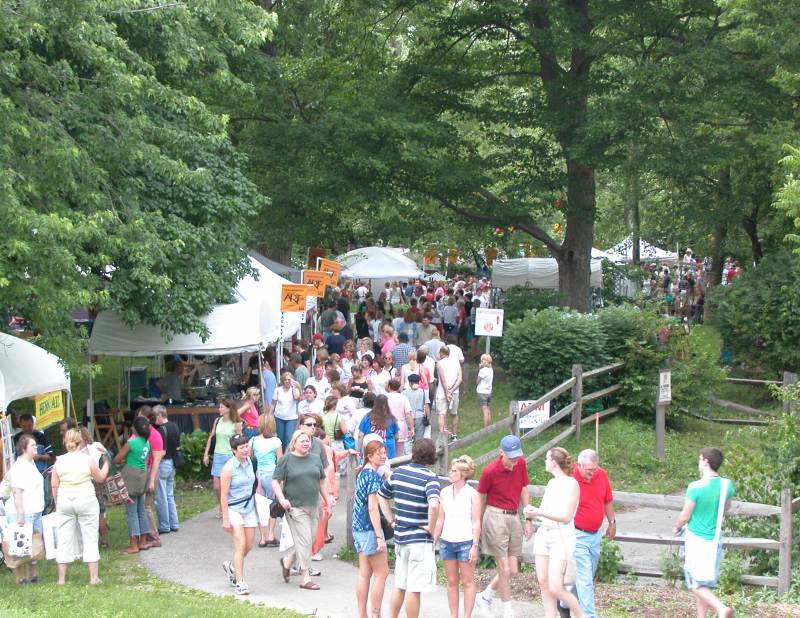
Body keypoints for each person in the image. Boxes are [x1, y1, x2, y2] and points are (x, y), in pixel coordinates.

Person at [378, 439, 440, 618]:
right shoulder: (429, 477)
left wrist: (391, 519)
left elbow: (382, 496)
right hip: (419, 540)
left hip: (401, 537)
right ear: (431, 456)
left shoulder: (398, 473)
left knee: (400, 584)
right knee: (415, 588)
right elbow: (434, 505)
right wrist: (431, 527)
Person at [475, 435, 533, 618]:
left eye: (517, 457)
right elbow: (481, 498)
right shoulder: (489, 471)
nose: (514, 462)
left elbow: (524, 488)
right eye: (511, 458)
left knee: (513, 570)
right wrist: (479, 523)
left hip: (514, 516)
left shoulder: (520, 464)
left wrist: (528, 518)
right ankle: (508, 611)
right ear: (501, 453)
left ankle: (485, 596)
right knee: (505, 569)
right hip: (495, 516)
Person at [673, 448, 735, 618]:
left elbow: (685, 515)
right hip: (715, 539)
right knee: (704, 584)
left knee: (694, 583)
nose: (699, 463)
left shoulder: (696, 487)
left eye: (700, 459)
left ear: (706, 461)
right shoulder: (726, 485)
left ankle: (721, 608)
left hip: (697, 539)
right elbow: (726, 507)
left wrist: (677, 526)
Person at [524, 447, 584, 618]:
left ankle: (581, 615)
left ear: (554, 462)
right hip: (544, 534)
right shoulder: (551, 483)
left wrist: (538, 513)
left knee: (556, 586)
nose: (545, 461)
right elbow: (543, 510)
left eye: (546, 458)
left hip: (560, 537)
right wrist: (530, 512)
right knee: (543, 581)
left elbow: (565, 517)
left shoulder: (571, 484)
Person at [556, 449, 616, 618]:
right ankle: (589, 615)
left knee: (587, 575)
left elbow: (608, 500)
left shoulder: (601, 475)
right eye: (589, 470)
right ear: (579, 465)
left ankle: (564, 602)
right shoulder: (571, 480)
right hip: (577, 534)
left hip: (595, 535)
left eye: (594, 469)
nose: (592, 473)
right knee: (585, 579)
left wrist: (612, 522)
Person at [273, 429, 333, 591]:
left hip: (314, 506)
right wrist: (282, 499)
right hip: (294, 507)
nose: (306, 443)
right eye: (302, 441)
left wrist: (328, 500)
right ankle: (305, 577)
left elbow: (321, 482)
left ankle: (287, 561)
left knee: (308, 541)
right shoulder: (286, 460)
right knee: (305, 541)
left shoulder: (315, 459)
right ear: (294, 443)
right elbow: (275, 481)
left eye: (308, 441)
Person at [51, 428, 109, 585]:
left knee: (63, 538)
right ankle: (93, 577)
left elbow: (54, 485)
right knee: (90, 537)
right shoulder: (87, 459)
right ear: (80, 441)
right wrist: (106, 462)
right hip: (86, 499)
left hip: (64, 501)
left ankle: (61, 579)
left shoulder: (59, 461)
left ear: (65, 442)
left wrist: (58, 502)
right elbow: (100, 478)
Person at [434, 455, 481, 618]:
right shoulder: (444, 492)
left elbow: (476, 522)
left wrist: (475, 545)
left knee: (468, 581)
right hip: (447, 541)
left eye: (454, 471)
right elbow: (440, 519)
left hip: (466, 542)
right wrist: (434, 538)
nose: (450, 473)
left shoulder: (472, 494)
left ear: (463, 474)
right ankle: (453, 615)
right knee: (452, 581)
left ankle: (466, 615)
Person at [353, 439, 390, 618]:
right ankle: (376, 614)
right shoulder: (373, 477)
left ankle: (362, 614)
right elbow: (373, 507)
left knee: (364, 573)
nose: (383, 456)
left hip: (358, 527)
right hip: (369, 528)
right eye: (379, 453)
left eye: (384, 452)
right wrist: (379, 536)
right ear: (369, 456)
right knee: (382, 573)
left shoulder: (363, 473)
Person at [219, 434, 258, 595]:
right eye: (241, 447)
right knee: (240, 545)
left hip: (249, 507)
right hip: (234, 509)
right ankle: (239, 581)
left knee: (248, 545)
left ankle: (232, 566)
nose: (245, 450)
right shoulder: (228, 468)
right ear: (234, 450)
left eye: (246, 446)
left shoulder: (251, 461)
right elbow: (224, 495)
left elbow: (255, 483)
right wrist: (225, 518)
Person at [7, 434, 46, 584]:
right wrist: (21, 514)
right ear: (24, 449)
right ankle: (20, 578)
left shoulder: (31, 463)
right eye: (33, 446)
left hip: (35, 510)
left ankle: (32, 576)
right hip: (23, 511)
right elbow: (17, 491)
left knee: (33, 544)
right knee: (20, 545)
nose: (36, 448)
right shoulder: (19, 467)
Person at [114, 416, 153, 553]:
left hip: (131, 476)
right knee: (141, 510)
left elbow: (117, 459)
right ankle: (143, 542)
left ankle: (133, 545)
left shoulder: (131, 443)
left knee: (131, 512)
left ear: (134, 429)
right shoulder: (147, 443)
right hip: (143, 475)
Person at [203, 399, 243, 518]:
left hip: (230, 455)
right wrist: (206, 454)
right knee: (217, 486)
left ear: (228, 409)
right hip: (218, 454)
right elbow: (211, 437)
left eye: (221, 407)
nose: (219, 409)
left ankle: (230, 507)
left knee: (231, 484)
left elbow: (240, 440)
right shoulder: (218, 420)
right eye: (219, 407)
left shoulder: (236, 423)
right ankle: (222, 504)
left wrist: (240, 456)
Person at [249, 413, 283, 547]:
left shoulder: (253, 440)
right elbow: (280, 461)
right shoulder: (276, 441)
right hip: (273, 474)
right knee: (273, 504)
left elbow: (251, 457)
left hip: (259, 474)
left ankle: (262, 537)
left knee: (259, 505)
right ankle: (271, 534)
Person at [153, 405, 181, 535]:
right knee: (170, 495)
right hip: (173, 462)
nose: (154, 420)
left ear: (159, 416)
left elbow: (160, 450)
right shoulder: (174, 426)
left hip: (163, 462)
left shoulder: (161, 430)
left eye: (155, 417)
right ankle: (174, 523)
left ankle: (164, 525)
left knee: (161, 496)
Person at [358, 394, 400, 459]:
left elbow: (360, 436)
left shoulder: (367, 417)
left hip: (371, 448)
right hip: (388, 449)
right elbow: (397, 437)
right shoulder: (391, 418)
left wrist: (359, 451)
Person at [436, 346, 463, 440]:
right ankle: (454, 435)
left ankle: (442, 436)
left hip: (442, 392)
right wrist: (452, 390)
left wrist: (447, 391)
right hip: (454, 392)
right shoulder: (456, 362)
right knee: (454, 414)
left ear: (441, 353)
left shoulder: (439, 363)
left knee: (441, 414)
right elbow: (460, 379)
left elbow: (443, 380)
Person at [272, 371, 301, 450]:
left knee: (289, 437)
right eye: (285, 380)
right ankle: (280, 455)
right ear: (282, 381)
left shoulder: (294, 389)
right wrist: (269, 415)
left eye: (289, 379)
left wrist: (293, 385)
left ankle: (287, 455)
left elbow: (296, 397)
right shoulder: (278, 390)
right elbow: (273, 404)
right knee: (280, 437)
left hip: (291, 418)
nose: (287, 381)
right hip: (279, 416)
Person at [403, 374, 430, 442]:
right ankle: (418, 450)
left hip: (408, 417)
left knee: (409, 437)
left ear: (409, 383)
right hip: (419, 416)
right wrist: (428, 417)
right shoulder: (423, 392)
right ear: (418, 382)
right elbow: (426, 405)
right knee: (419, 438)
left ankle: (409, 451)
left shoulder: (404, 393)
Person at [476, 354, 494, 429]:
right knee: (488, 408)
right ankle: (489, 426)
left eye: (482, 360)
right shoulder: (491, 369)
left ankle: (485, 428)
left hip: (482, 392)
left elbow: (477, 381)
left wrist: (480, 369)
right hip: (489, 392)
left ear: (486, 361)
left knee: (484, 411)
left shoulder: (483, 371)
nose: (481, 362)